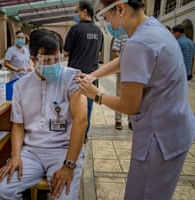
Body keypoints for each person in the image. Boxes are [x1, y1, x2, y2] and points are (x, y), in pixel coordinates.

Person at [77, 0, 195, 199]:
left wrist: (95, 95)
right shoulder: (154, 28)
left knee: (143, 194)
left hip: (159, 139)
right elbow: (124, 59)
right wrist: (93, 76)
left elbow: (129, 106)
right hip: (176, 127)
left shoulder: (138, 43)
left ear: (120, 8)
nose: (106, 24)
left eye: (105, 17)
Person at [0, 28, 87, 200]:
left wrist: (69, 166)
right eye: (47, 60)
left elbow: (81, 121)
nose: (54, 65)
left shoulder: (72, 79)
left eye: (57, 59)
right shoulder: (21, 86)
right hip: (32, 152)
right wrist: (16, 155)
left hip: (63, 151)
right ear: (33, 59)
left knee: (64, 198)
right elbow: (18, 124)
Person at [64, 0, 103, 142]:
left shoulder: (75, 29)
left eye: (77, 11)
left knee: (74, 108)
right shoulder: (99, 31)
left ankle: (73, 134)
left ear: (84, 11)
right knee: (88, 107)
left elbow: (66, 51)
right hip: (92, 76)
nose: (76, 15)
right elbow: (98, 53)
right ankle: (83, 135)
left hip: (76, 76)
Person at [111, 34, 132, 130]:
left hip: (135, 70)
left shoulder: (138, 35)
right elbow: (115, 51)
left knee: (133, 94)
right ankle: (118, 120)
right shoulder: (120, 35)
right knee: (120, 94)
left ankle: (131, 120)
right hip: (123, 69)